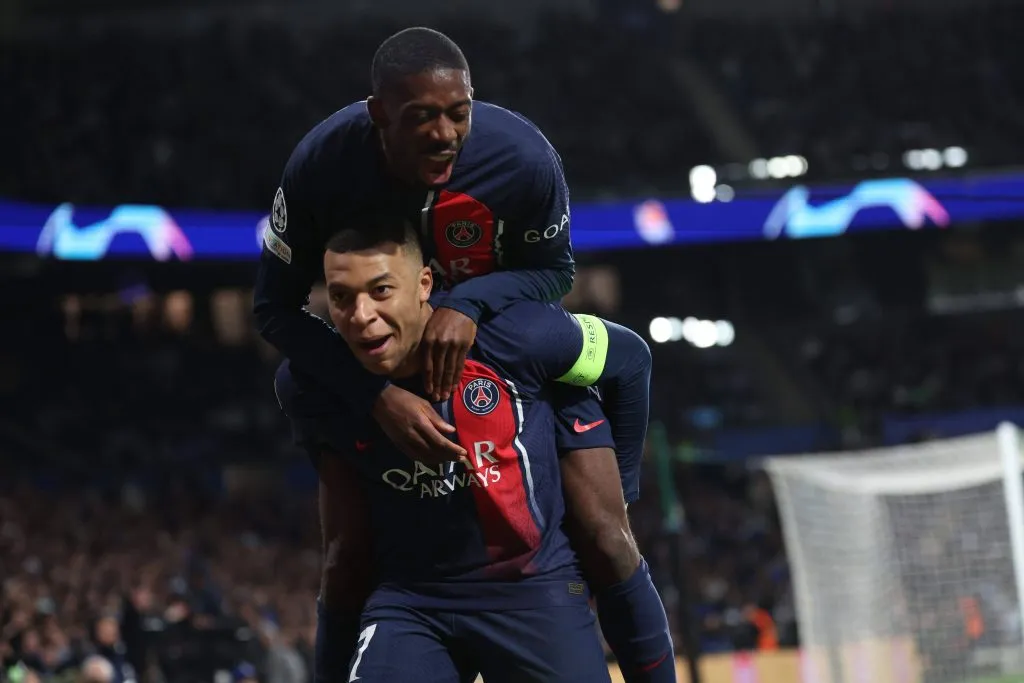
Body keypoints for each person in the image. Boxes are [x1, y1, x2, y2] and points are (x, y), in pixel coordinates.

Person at [256, 27, 670, 683]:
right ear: (379, 116)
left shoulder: (522, 159)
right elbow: (272, 308)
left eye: (459, 112)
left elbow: (555, 272)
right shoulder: (321, 168)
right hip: (384, 387)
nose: (446, 134)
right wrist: (374, 395)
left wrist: (469, 304)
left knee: (603, 533)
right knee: (348, 554)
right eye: (422, 117)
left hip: (514, 358)